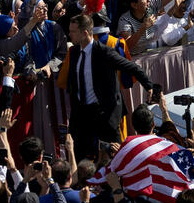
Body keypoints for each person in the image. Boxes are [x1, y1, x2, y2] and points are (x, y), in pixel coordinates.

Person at [58, 14, 159, 159]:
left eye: (73, 31)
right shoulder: (73, 53)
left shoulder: (104, 52)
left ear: (85, 33)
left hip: (104, 112)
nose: (69, 34)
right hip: (82, 113)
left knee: (116, 155)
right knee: (80, 156)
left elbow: (131, 67)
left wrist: (149, 86)